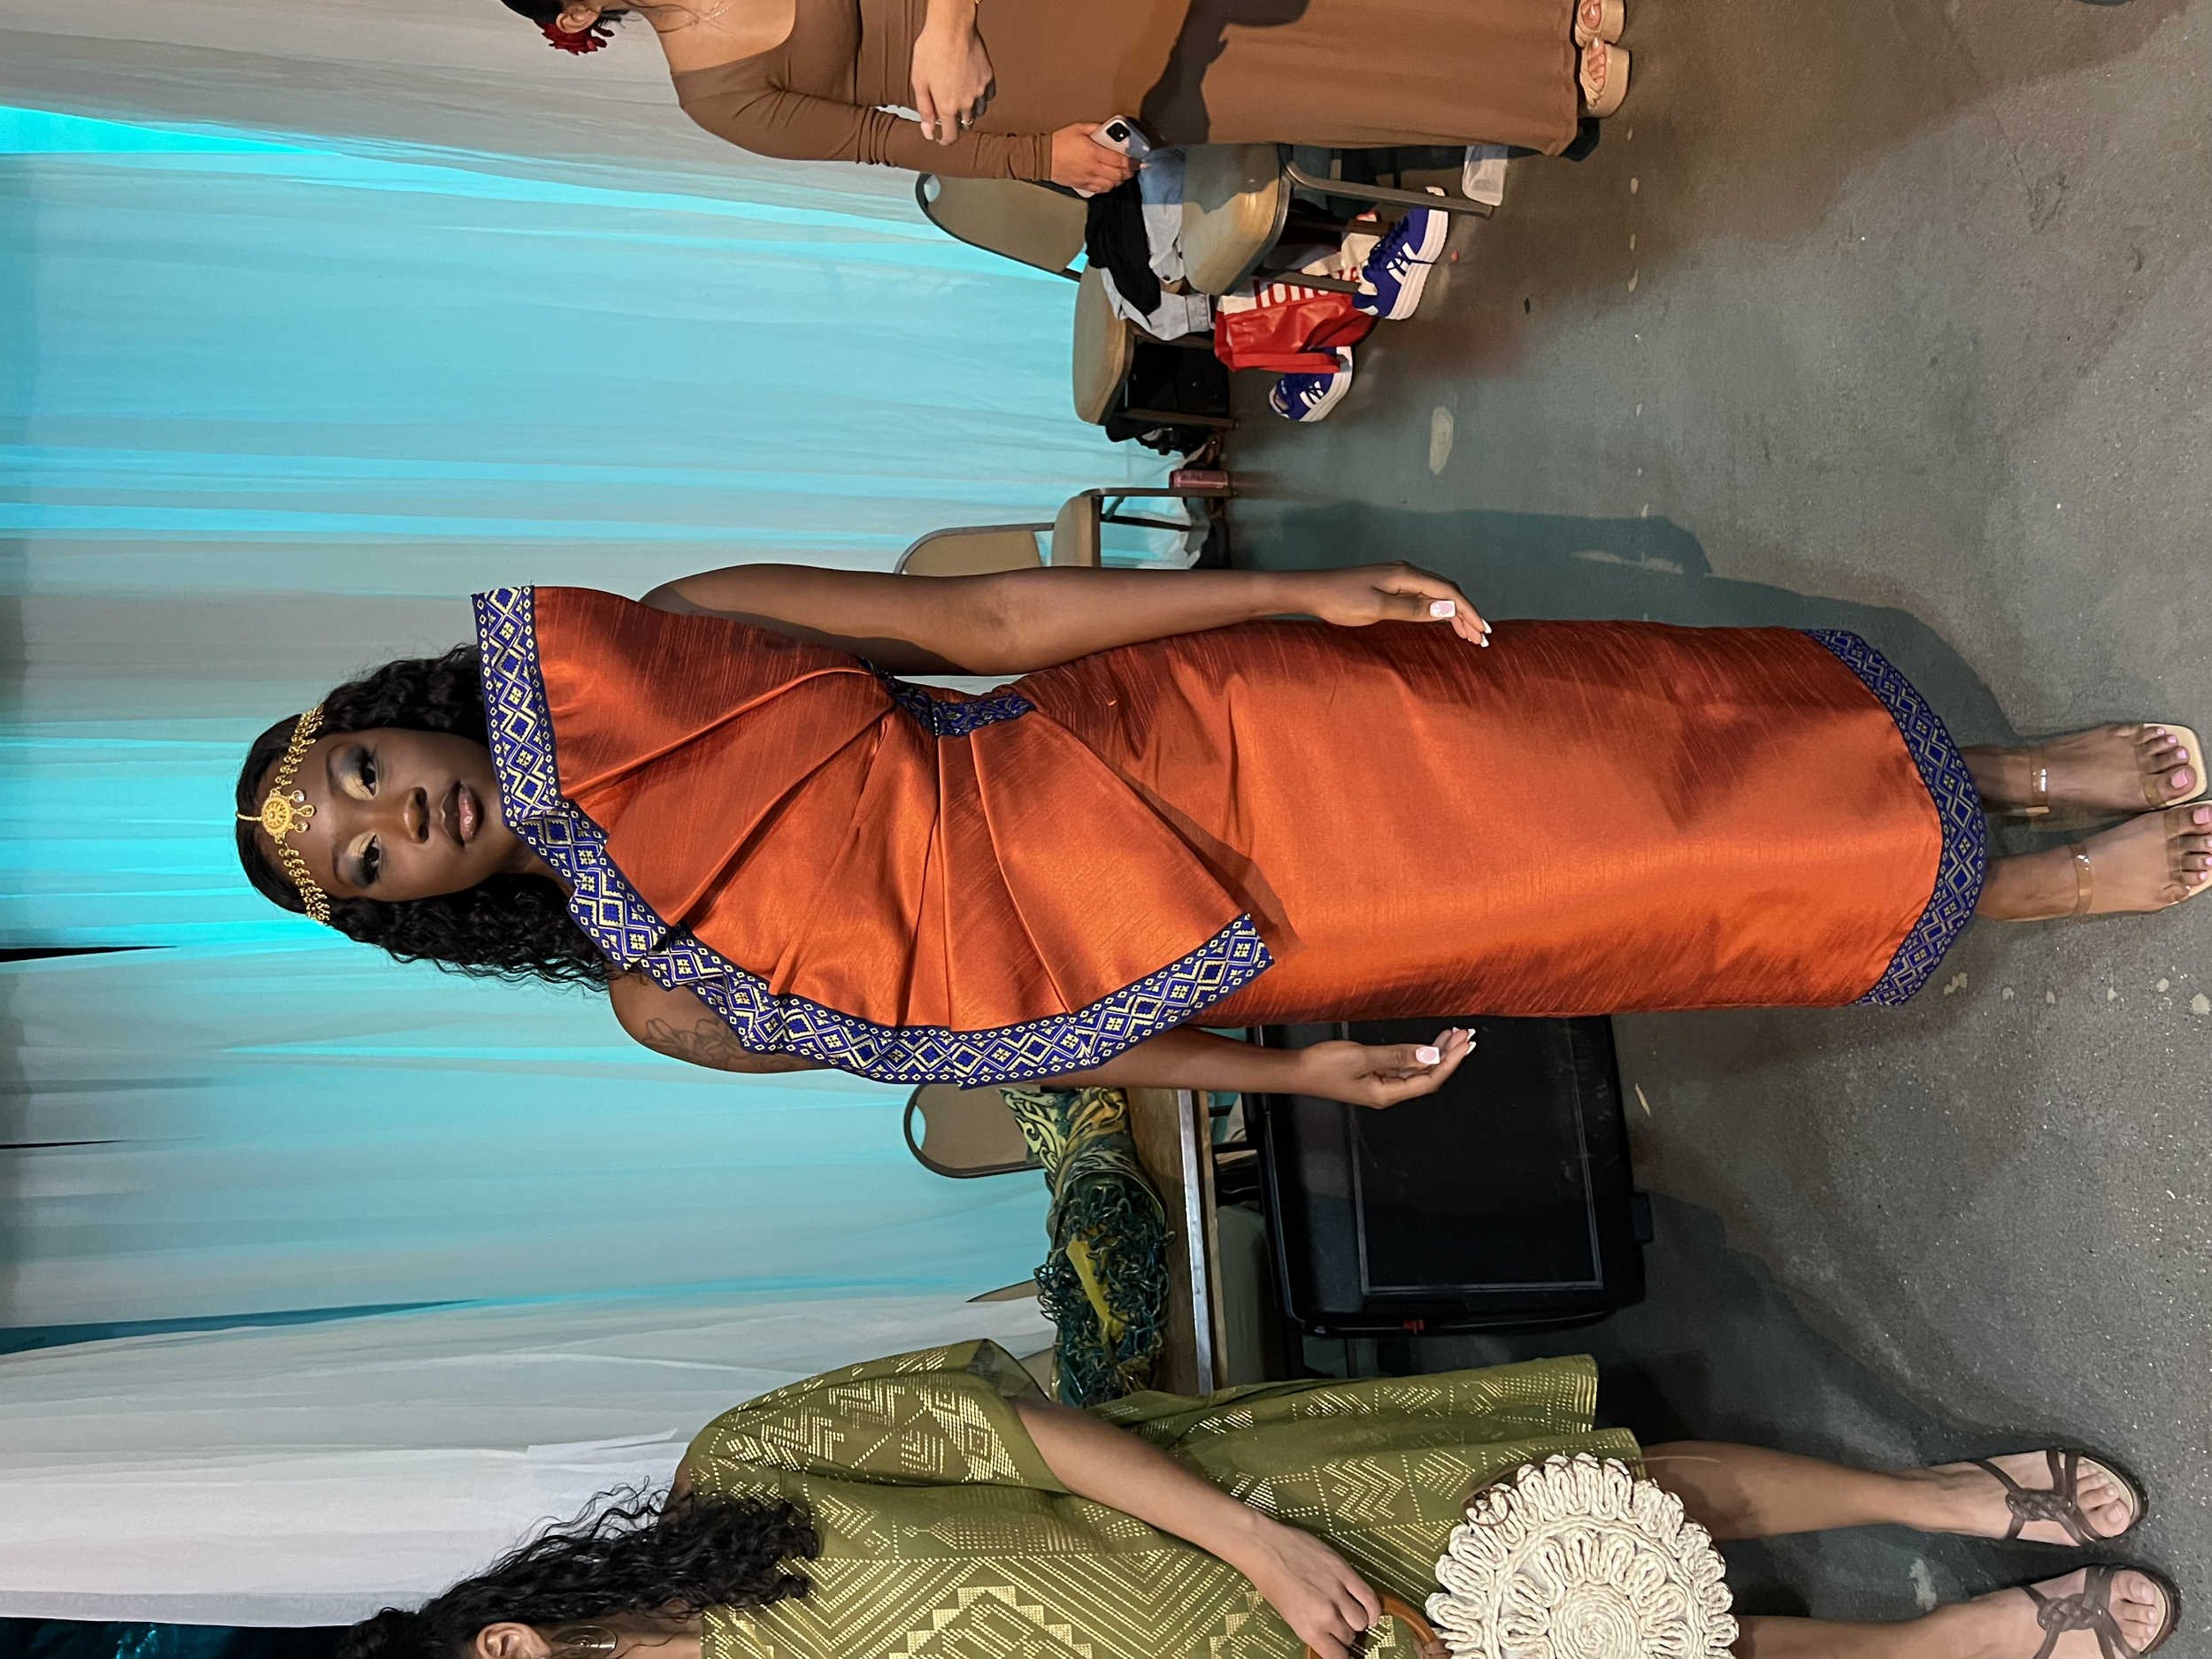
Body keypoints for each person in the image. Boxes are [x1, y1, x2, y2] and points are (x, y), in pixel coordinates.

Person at [234, 563, 2209, 1104]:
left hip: (1210, 728)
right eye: (380, 856)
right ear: (427, 906)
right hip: (1239, 924)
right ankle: (2021, 885)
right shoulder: (662, 1006)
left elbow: (982, 625)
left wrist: (1301, 593)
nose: (403, 813)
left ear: (394, 722)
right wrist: (1285, 1070)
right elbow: (1011, 1031)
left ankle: (2012, 769)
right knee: (1630, 888)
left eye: (367, 778)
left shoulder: (650, 635)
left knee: (1611, 734)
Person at [335, 1340, 2176, 1659]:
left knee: (1609, 1512)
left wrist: (1255, 1537)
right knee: (1628, 1646)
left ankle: (1929, 1490)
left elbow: (1018, 1433)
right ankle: (1940, 1636)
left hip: (1246, 1525)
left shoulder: (737, 1475)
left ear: (504, 1641)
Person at [492, 0, 1629, 195]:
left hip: (985, 14)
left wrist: (942, 24)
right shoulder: (716, 97)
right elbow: (890, 149)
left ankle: (1536, 13)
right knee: (1283, 80)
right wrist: (1039, 160)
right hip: (1033, 85)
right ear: (579, 23)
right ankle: (1534, 84)